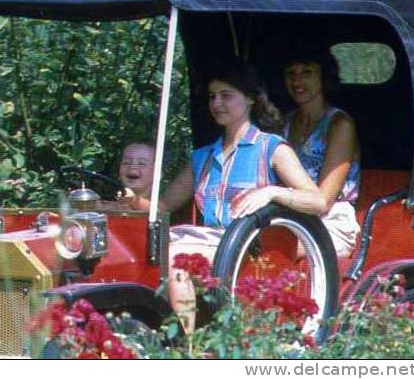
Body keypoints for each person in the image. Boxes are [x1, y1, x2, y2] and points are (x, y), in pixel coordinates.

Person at [126, 66, 326, 333]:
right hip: (207, 242)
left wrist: (273, 192)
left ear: (251, 99)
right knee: (139, 251)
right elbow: (161, 208)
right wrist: (129, 200)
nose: (216, 103)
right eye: (211, 96)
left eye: (226, 95)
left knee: (174, 260)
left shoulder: (272, 148)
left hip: (250, 250)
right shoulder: (203, 157)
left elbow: (316, 201)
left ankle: (185, 349)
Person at [282, 48, 361, 258]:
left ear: (323, 77)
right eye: (291, 73)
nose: (297, 81)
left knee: (276, 249)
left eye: (306, 72)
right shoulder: (285, 123)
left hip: (331, 221)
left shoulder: (339, 124)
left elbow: (323, 201)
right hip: (288, 217)